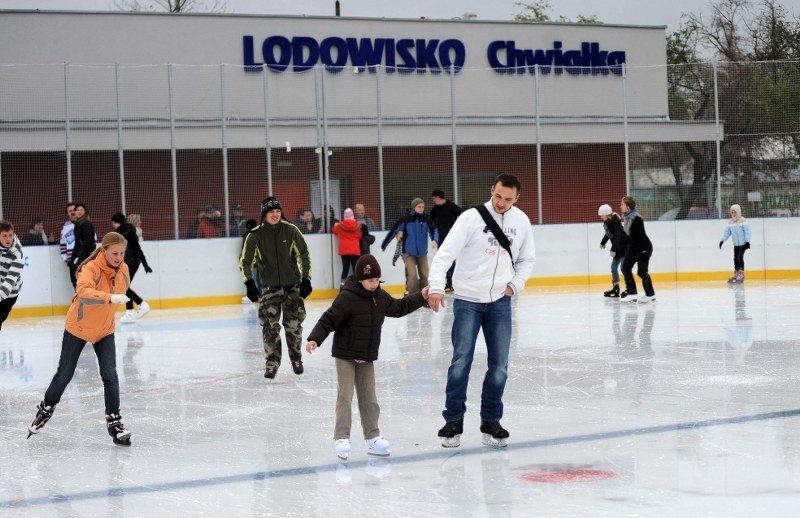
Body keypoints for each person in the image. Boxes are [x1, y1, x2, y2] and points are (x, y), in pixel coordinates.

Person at [427, 173, 536, 448]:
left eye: (508, 199)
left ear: (517, 198)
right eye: (498, 196)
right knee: (460, 362)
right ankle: (453, 421)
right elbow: (445, 253)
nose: (501, 203)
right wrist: (437, 286)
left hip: (500, 301)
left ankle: (491, 420)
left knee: (499, 366)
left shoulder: (521, 221)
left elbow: (527, 259)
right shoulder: (471, 218)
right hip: (467, 300)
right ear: (492, 190)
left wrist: (514, 286)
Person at [305, 254, 429, 460]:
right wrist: (315, 339)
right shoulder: (347, 297)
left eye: (376, 280)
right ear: (360, 279)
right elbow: (329, 319)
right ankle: (342, 437)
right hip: (345, 355)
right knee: (345, 396)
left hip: (366, 356)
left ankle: (372, 438)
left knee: (369, 398)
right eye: (370, 280)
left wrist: (421, 296)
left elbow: (399, 308)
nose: (374, 284)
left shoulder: (379, 297)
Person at [27, 231, 134, 446]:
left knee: (110, 375)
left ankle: (115, 422)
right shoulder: (90, 268)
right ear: (104, 251)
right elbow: (84, 291)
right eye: (114, 253)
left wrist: (112, 302)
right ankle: (45, 410)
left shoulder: (123, 270)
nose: (119, 257)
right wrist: (109, 297)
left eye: (122, 253)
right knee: (64, 374)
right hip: (78, 327)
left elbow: (122, 289)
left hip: (104, 330)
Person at [240, 196, 312, 379]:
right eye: (271, 211)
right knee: (269, 327)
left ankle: (296, 359)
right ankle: (272, 363)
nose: (275, 214)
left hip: (293, 287)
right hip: (269, 288)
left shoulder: (291, 230)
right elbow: (245, 262)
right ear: (264, 214)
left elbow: (304, 255)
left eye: (278, 211)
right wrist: (249, 283)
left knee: (293, 326)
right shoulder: (255, 236)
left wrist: (306, 279)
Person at [380, 198, 436, 294]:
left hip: (422, 253)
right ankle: (414, 298)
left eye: (423, 207)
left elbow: (433, 230)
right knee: (412, 275)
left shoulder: (427, 219)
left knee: (425, 276)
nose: (421, 209)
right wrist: (385, 244)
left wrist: (435, 240)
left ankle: (425, 297)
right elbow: (394, 230)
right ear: (414, 207)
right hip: (408, 253)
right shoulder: (406, 219)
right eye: (419, 207)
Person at [111, 213, 153, 323]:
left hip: (131, 262)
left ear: (117, 222)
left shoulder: (128, 231)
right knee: (124, 287)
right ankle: (130, 312)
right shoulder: (122, 231)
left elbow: (137, 247)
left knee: (123, 287)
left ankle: (142, 305)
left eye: (113, 223)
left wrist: (145, 264)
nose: (113, 225)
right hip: (128, 262)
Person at [620, 196, 656, 303]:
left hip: (644, 247)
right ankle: (632, 294)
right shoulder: (627, 218)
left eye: (622, 204)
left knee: (642, 272)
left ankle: (650, 294)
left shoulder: (636, 218)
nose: (620, 206)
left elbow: (642, 236)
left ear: (628, 207)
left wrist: (644, 251)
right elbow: (629, 236)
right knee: (625, 267)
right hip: (633, 247)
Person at [430, 189, 464, 291]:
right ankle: (446, 281)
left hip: (452, 236)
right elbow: (432, 222)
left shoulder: (451, 206)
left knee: (452, 258)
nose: (433, 200)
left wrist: (457, 227)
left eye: (433, 198)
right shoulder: (435, 209)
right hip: (441, 237)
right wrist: (434, 236)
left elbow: (463, 214)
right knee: (442, 258)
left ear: (437, 197)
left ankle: (451, 281)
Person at [597, 203, 627, 298]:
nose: (601, 217)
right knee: (613, 268)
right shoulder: (608, 223)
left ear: (606, 214)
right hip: (617, 249)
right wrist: (603, 243)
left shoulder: (616, 223)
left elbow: (618, 236)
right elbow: (608, 234)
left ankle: (629, 288)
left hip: (624, 248)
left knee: (624, 268)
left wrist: (613, 249)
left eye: (602, 215)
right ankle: (616, 288)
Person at [0, 220, 24, 331]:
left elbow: (10, 282)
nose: (8, 239)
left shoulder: (17, 254)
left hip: (10, 294)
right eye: (5, 236)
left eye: (10, 235)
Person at [719, 203, 752, 284]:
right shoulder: (730, 222)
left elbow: (747, 231)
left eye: (735, 212)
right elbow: (727, 232)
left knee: (739, 257)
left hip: (743, 243)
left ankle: (741, 273)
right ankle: (737, 273)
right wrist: (722, 240)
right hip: (736, 244)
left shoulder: (743, 220)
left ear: (738, 212)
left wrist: (747, 241)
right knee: (735, 258)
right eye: (732, 212)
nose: (733, 214)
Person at [332, 208, 362, 288]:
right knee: (355, 269)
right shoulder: (357, 225)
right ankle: (357, 287)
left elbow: (334, 230)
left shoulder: (340, 226)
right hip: (354, 250)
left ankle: (342, 287)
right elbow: (359, 236)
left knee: (345, 269)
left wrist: (336, 225)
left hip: (344, 251)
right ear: (352, 216)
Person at [68, 203, 97, 289]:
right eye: (77, 210)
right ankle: (79, 297)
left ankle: (85, 297)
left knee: (81, 277)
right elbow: (77, 243)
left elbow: (87, 243)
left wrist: (81, 257)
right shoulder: (77, 225)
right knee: (73, 276)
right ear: (75, 212)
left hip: (88, 255)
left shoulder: (87, 224)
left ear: (85, 212)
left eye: (81, 210)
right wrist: (72, 258)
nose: (79, 212)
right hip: (81, 255)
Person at [59, 202, 77, 281]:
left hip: (84, 260)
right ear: (67, 213)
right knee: (74, 282)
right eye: (70, 211)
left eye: (74, 210)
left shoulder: (85, 224)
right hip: (72, 261)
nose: (72, 212)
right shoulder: (65, 227)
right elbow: (62, 244)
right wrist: (66, 259)